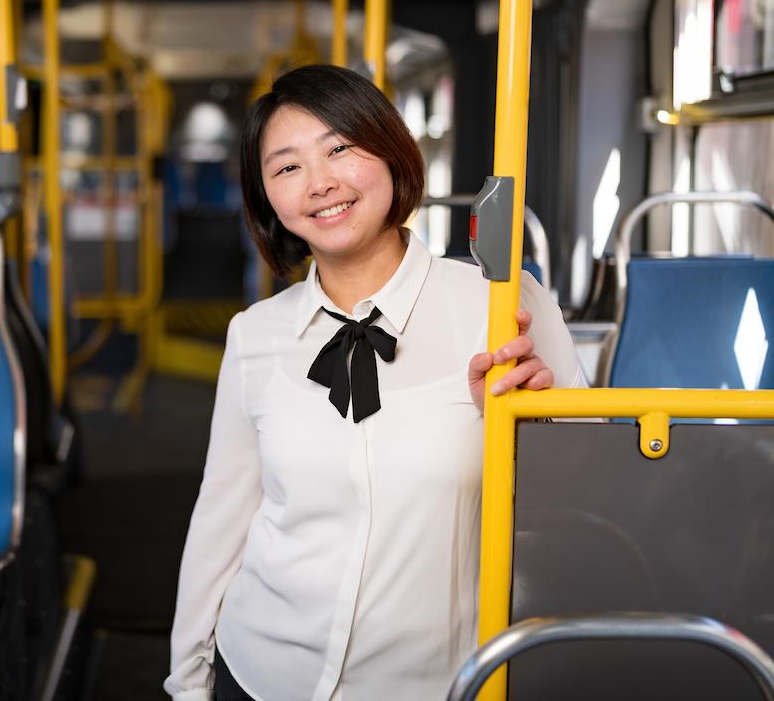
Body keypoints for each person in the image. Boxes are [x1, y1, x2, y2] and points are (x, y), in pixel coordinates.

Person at [164, 65, 585, 701]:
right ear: (267, 199)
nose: (319, 183)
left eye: (339, 149)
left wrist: (530, 431)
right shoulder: (255, 334)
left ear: (391, 151)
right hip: (262, 674)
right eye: (286, 168)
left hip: (442, 683)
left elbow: (586, 508)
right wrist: (189, 680)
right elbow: (223, 519)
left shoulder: (502, 307)